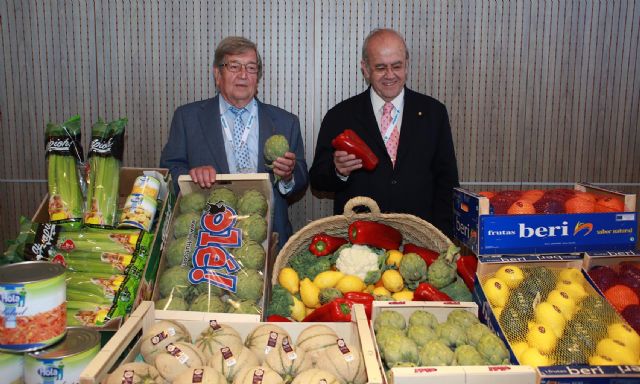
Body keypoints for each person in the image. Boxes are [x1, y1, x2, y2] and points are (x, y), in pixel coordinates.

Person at [160, 36, 308, 248]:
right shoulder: (188, 118)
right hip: (208, 238)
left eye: (251, 68)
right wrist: (191, 176)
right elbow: (168, 170)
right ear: (217, 74)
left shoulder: (286, 122)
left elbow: (301, 177)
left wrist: (288, 175)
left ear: (257, 77)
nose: (243, 75)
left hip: (268, 239)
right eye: (234, 66)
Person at [309, 28, 459, 237]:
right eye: (380, 68)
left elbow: (447, 183)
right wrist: (338, 171)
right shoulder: (340, 115)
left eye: (396, 66)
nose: (390, 75)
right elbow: (317, 179)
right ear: (365, 69)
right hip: (360, 241)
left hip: (420, 239)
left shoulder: (434, 113)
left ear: (406, 64)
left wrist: (443, 239)